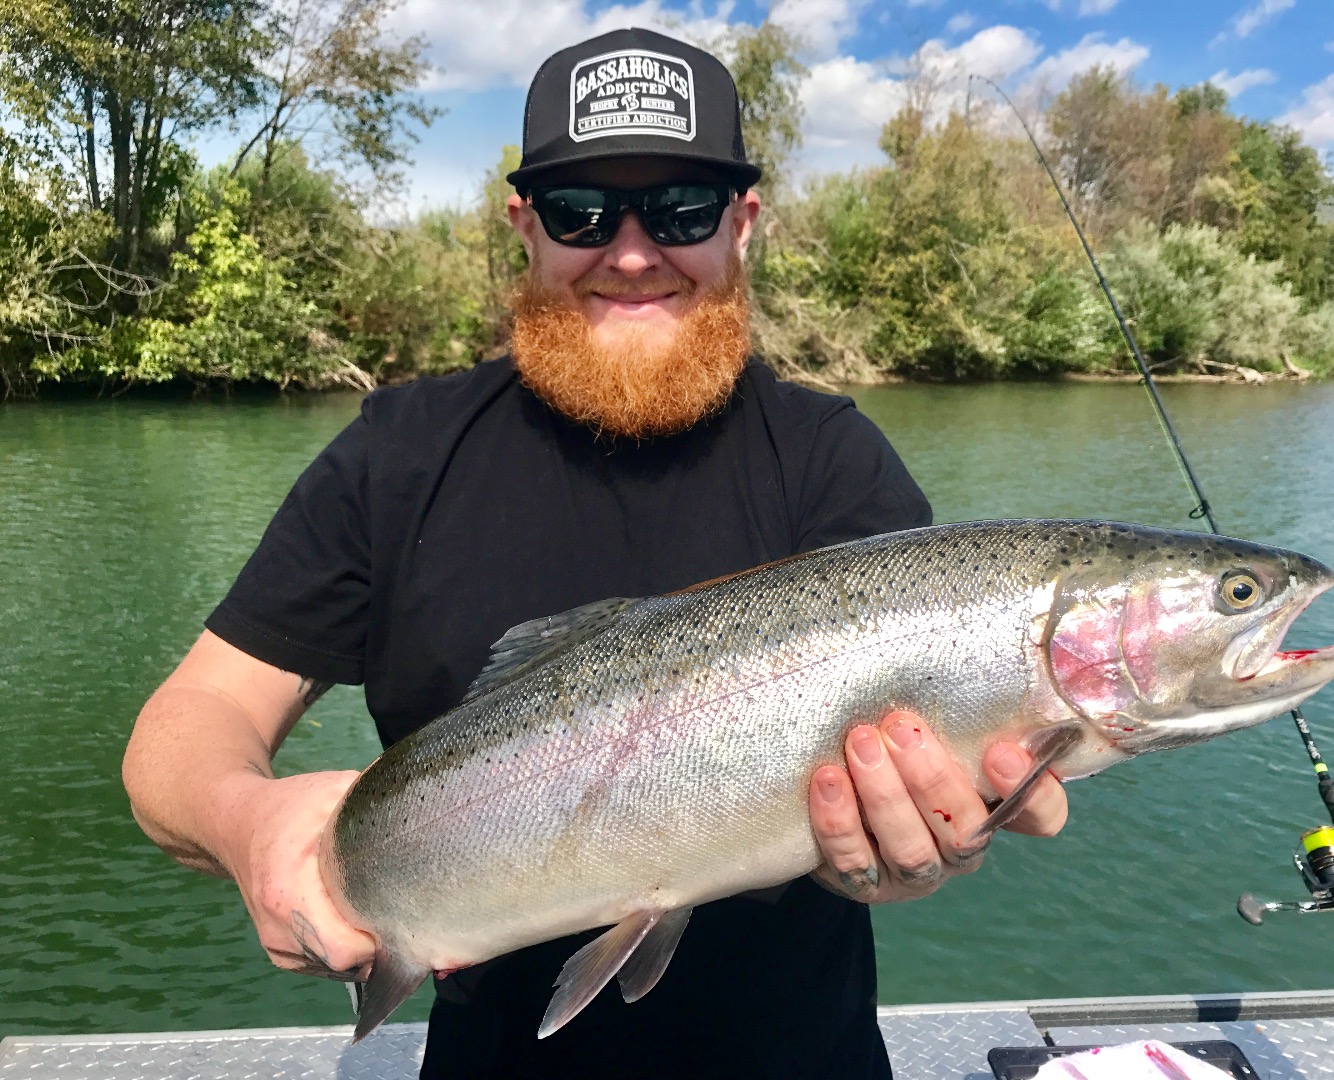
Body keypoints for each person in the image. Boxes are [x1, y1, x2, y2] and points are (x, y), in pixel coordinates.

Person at [122, 27, 1067, 1080]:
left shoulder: (828, 457)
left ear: (742, 225)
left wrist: (904, 858)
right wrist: (246, 821)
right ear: (524, 226)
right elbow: (186, 727)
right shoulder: (395, 459)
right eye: (580, 212)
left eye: (680, 209)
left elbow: (910, 807)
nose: (629, 252)